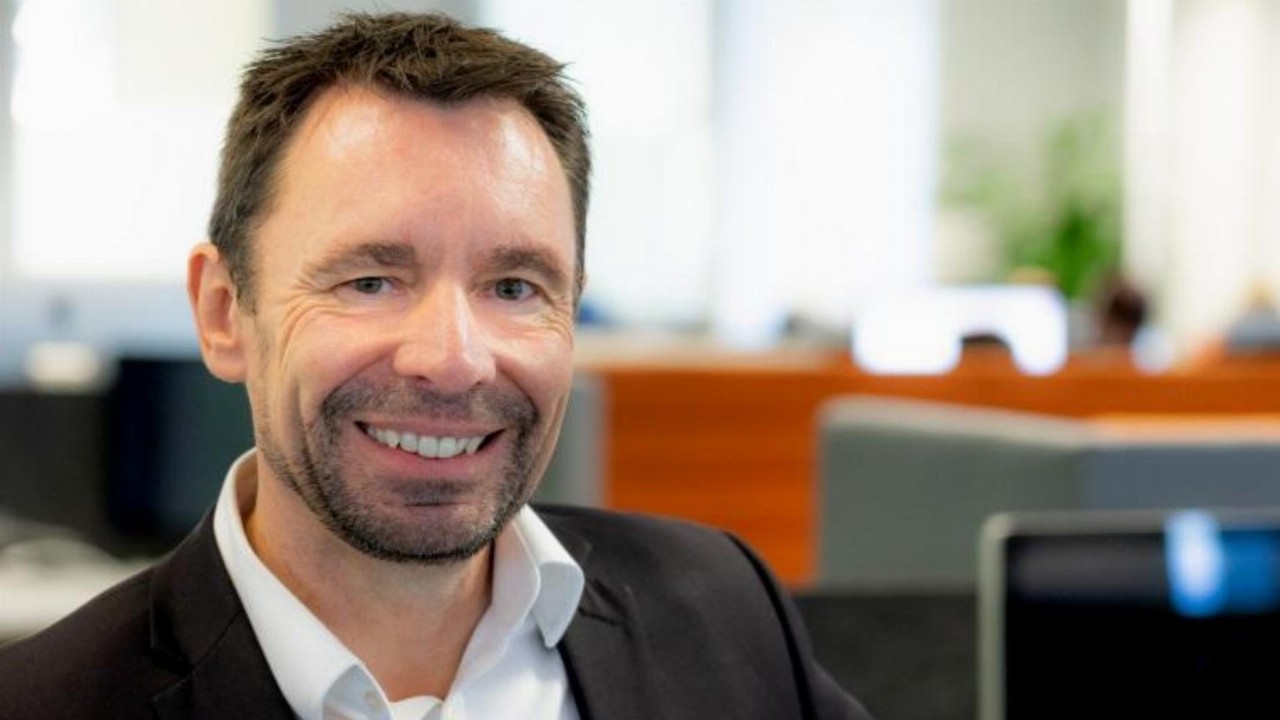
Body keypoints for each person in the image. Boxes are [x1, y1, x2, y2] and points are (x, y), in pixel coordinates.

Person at [0, 13, 871, 720]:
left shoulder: (722, 610)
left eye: (515, 287)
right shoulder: (45, 704)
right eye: (370, 281)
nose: (453, 360)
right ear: (226, 313)